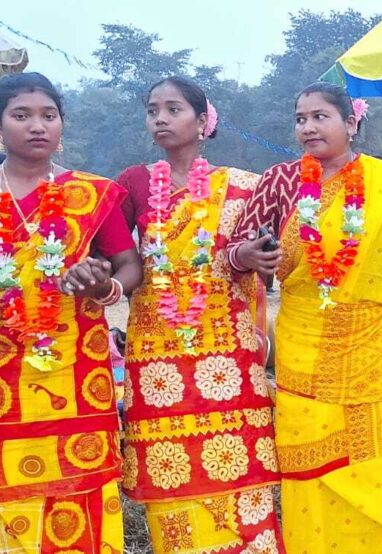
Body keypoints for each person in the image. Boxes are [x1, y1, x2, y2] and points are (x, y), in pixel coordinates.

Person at [226, 82, 382, 553]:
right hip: (306, 345)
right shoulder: (281, 180)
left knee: (375, 467)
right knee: (310, 471)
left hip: (373, 349)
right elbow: (234, 248)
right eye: (300, 119)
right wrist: (248, 256)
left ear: (351, 123)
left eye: (320, 117)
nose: (308, 127)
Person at [0, 72, 143, 553]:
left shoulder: (91, 192)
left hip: (77, 369)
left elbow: (129, 265)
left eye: (49, 115)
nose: (37, 125)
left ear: (62, 124)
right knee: (2, 492)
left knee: (82, 489)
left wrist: (104, 285)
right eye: (21, 115)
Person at [115, 76, 283, 553]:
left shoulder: (246, 187)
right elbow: (119, 259)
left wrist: (248, 257)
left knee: (240, 473)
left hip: (228, 355)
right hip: (157, 358)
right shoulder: (134, 183)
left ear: (203, 119)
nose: (160, 119)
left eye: (174, 109)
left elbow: (267, 250)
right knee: (172, 474)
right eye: (153, 110)